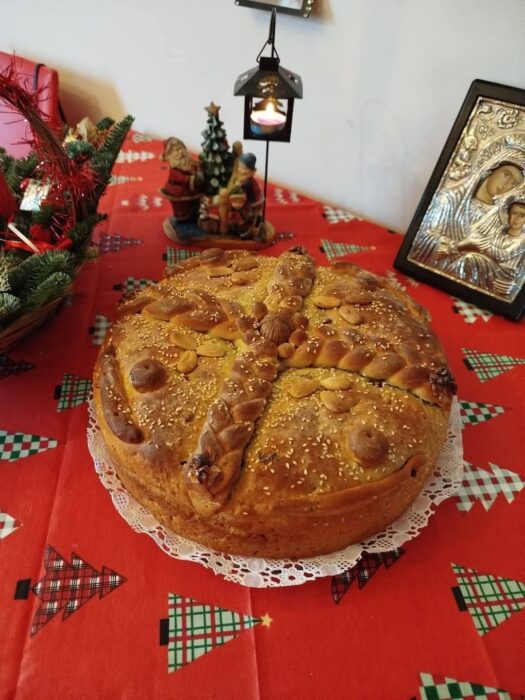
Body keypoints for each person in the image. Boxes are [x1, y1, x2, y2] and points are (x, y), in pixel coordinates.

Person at [409, 134, 525, 267]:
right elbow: (420, 243)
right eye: (507, 175)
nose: (507, 184)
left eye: (514, 183)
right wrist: (460, 246)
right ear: (491, 168)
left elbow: (504, 262)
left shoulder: (500, 221)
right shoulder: (449, 200)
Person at [436, 194, 525, 300]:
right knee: (469, 258)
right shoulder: (499, 230)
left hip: (503, 273)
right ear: (508, 214)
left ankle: (443, 280)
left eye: (522, 216)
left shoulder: (522, 239)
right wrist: (475, 241)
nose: (516, 219)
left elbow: (503, 255)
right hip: (488, 264)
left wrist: (480, 246)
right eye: (514, 213)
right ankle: (447, 283)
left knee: (471, 258)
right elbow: (484, 238)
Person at [161, 137, 201, 221]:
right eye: (176, 150)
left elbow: (192, 169)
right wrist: (192, 179)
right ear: (170, 155)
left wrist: (197, 168)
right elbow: (181, 178)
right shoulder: (174, 169)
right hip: (178, 190)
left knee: (198, 196)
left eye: (181, 148)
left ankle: (195, 212)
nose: (180, 152)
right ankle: (184, 217)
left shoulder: (187, 163)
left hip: (188, 188)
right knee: (183, 206)